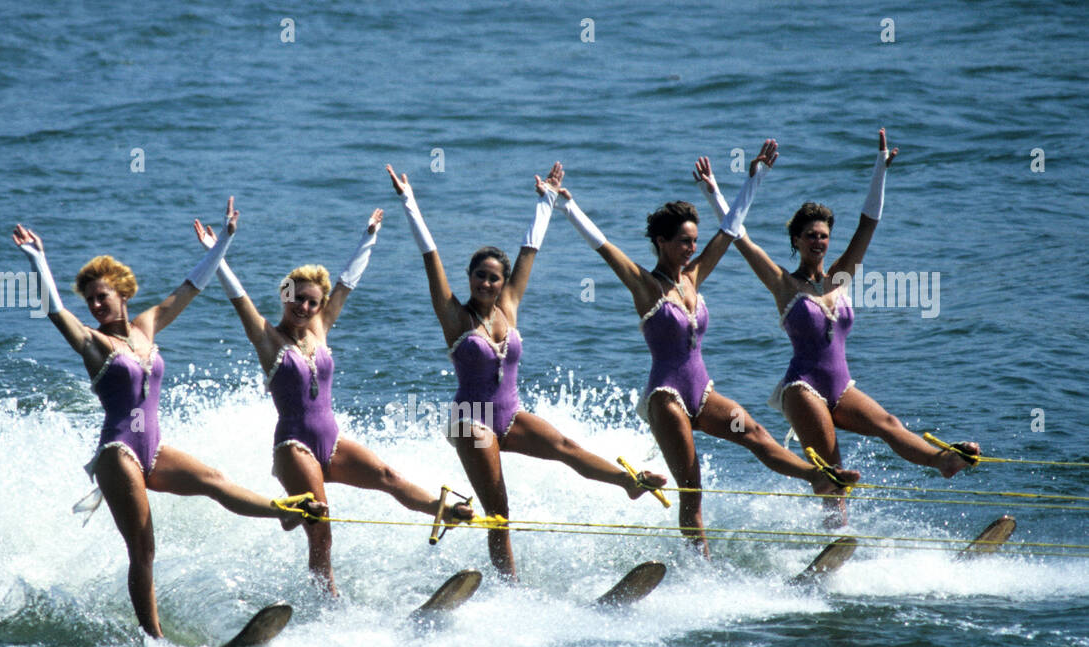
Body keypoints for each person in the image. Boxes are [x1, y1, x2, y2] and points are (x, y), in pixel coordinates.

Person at [12, 222, 324, 640]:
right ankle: (154, 642)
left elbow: (190, 287)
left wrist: (224, 242)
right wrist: (38, 260)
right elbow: (55, 312)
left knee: (214, 480)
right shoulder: (92, 342)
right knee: (144, 550)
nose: (96, 306)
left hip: (153, 449)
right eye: (90, 301)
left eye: (102, 297)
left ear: (123, 293)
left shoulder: (146, 327)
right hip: (118, 452)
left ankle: (286, 509)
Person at [553, 142, 859, 556]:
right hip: (667, 398)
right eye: (683, 242)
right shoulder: (646, 285)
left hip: (702, 392)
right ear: (661, 242)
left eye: (694, 242)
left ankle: (818, 478)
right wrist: (567, 205)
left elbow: (730, 231)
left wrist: (755, 177)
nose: (692, 249)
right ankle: (701, 569)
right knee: (692, 491)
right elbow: (603, 246)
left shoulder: (693, 278)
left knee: (754, 433)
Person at [386, 162, 668, 578]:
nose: (486, 283)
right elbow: (431, 257)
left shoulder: (509, 306)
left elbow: (529, 251)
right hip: (469, 421)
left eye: (494, 278)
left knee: (566, 448)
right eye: (479, 276)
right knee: (500, 510)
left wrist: (547, 200)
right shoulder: (454, 317)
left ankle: (629, 483)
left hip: (510, 414)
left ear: (503, 283)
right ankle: (510, 586)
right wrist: (409, 202)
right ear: (469, 277)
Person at [693, 128, 979, 524]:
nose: (819, 241)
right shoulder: (783, 283)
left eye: (824, 236)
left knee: (889, 425)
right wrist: (714, 192)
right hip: (802, 388)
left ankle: (943, 461)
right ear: (796, 239)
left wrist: (880, 169)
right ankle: (834, 537)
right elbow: (739, 237)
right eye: (810, 235)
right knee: (832, 471)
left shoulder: (841, 278)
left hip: (841, 386)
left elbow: (867, 226)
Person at [194, 202, 473, 596]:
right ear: (284, 295)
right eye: (298, 299)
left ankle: (443, 511)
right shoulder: (267, 337)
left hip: (333, 442)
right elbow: (238, 297)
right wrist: (218, 249)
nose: (304, 307)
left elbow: (346, 283)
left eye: (312, 302)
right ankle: (328, 605)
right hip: (294, 446)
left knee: (388, 477)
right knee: (322, 532)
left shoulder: (320, 328)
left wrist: (368, 237)